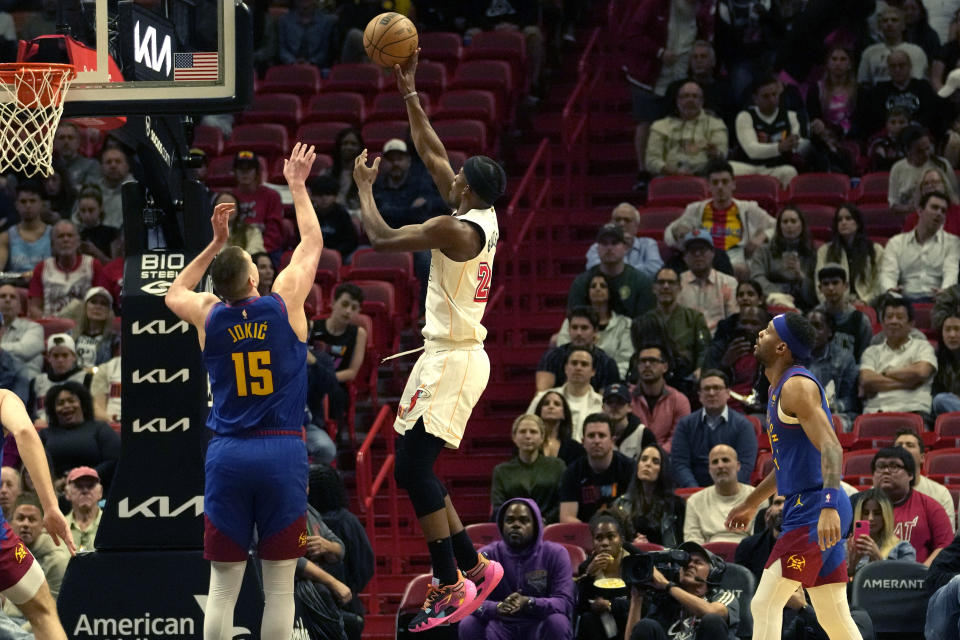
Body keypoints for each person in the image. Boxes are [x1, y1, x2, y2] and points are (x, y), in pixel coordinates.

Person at [350, 50, 508, 631]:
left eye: (460, 173)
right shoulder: (478, 214)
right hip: (448, 353)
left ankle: (450, 580)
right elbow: (432, 150)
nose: (452, 173)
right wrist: (410, 90)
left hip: (455, 357)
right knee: (415, 467)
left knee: (415, 471)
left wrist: (365, 187)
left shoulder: (453, 227)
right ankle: (471, 566)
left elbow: (381, 236)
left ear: (467, 188)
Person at [164, 143, 324, 640]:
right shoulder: (284, 304)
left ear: (220, 283)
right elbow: (313, 241)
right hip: (281, 448)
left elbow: (173, 293)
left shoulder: (209, 316)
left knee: (222, 589)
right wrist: (296, 184)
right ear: (256, 276)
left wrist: (214, 244)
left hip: (229, 452)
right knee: (279, 588)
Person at [724, 312, 862, 640]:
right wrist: (750, 503)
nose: (759, 333)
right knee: (834, 615)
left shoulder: (797, 386)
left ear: (782, 346)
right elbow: (786, 463)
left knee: (765, 604)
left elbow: (832, 448)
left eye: (768, 331)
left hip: (816, 506)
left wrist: (828, 505)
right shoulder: (776, 389)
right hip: (814, 504)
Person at [0, 389, 74, 639]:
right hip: (1, 540)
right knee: (43, 611)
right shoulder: (2, 398)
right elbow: (24, 432)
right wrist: (51, 506)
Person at [458, 498, 575, 640]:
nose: (516, 525)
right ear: (501, 525)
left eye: (524, 520)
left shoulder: (555, 554)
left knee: (558, 622)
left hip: (538, 622)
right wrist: (497, 608)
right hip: (499, 624)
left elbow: (564, 602)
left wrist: (529, 602)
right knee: (468, 623)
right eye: (510, 520)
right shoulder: (486, 556)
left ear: (536, 525)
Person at [663, 160, 776, 273]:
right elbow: (668, 236)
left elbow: (777, 226)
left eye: (725, 182)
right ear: (709, 186)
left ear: (733, 184)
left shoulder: (749, 209)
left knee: (740, 270)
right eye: (715, 182)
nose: (720, 187)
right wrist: (676, 231)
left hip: (735, 258)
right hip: (704, 257)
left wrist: (762, 236)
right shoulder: (695, 209)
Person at [623, 540, 740, 640]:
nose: (689, 565)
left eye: (698, 562)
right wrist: (636, 597)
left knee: (713, 620)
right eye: (686, 562)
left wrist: (666, 584)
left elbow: (710, 612)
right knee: (646, 625)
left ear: (713, 573)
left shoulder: (722, 596)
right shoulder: (666, 601)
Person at [672, 372, 759, 488]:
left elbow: (745, 466)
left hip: (733, 493)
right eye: (707, 389)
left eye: (717, 388)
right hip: (693, 493)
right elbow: (680, 464)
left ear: (728, 393)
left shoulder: (744, 426)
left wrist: (722, 493)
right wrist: (695, 492)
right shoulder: (685, 425)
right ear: (700, 395)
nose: (711, 393)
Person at [859, 295, 937, 421]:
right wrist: (908, 382)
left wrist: (885, 373)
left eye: (900, 317)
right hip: (876, 412)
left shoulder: (923, 346)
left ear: (911, 324)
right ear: (883, 323)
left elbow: (920, 372)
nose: (893, 321)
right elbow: (867, 380)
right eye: (889, 317)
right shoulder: (871, 351)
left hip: (914, 411)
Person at [730, 76, 812, 189]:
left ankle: (786, 206)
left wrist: (797, 144)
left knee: (790, 171)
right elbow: (752, 150)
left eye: (774, 94)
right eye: (766, 96)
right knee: (729, 168)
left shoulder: (791, 116)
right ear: (755, 98)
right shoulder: (745, 116)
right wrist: (780, 147)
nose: (772, 100)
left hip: (776, 168)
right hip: (749, 167)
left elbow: (800, 145)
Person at [2, 493, 71, 625]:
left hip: (38, 626)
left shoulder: (58, 559)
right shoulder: (5, 554)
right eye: (20, 518)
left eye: (32, 519)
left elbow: (55, 612)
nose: (25, 524)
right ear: (9, 524)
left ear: (42, 526)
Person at [879, 191, 960, 301]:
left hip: (937, 299)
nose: (939, 213)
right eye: (934, 207)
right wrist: (890, 290)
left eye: (943, 211)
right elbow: (888, 273)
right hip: (903, 299)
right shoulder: (896, 242)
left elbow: (951, 271)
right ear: (920, 211)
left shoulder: (952, 242)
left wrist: (945, 291)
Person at [635, 266, 711, 381]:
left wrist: (700, 369)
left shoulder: (695, 318)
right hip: (652, 379)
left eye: (671, 282)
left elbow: (704, 349)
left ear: (680, 287)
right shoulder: (644, 321)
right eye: (661, 283)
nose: (666, 286)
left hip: (687, 378)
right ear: (654, 288)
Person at [40, 381, 120, 488]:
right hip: (56, 491)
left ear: (83, 404)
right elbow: (36, 466)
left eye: (71, 401)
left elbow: (114, 460)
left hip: (95, 488)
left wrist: (83, 477)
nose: (67, 406)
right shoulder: (45, 435)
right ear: (53, 410)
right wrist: (56, 484)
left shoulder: (100, 428)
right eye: (60, 403)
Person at [558, 415, 636, 524]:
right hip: (585, 535)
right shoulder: (572, 472)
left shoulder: (629, 468)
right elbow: (566, 518)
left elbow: (634, 514)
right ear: (583, 442)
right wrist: (596, 533)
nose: (596, 440)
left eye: (602, 435)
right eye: (591, 436)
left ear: (612, 441)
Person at [490, 415, 567, 524]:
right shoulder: (501, 471)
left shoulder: (558, 466)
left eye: (533, 432)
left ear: (542, 437)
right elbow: (499, 507)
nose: (528, 436)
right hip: (513, 529)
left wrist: (544, 521)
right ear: (514, 437)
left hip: (550, 527)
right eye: (522, 432)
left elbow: (562, 503)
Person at [567, 223, 654, 318]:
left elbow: (646, 326)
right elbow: (574, 322)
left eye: (614, 243)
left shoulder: (641, 282)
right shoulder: (581, 283)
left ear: (625, 248)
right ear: (597, 248)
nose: (609, 248)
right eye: (604, 243)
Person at [645, 80, 729, 177]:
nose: (690, 100)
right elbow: (651, 161)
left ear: (702, 101)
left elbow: (722, 155)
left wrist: (715, 154)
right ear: (678, 101)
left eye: (695, 96)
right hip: (669, 177)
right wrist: (671, 171)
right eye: (685, 96)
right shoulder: (660, 126)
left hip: (705, 178)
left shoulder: (715, 124)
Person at [309, 283, 368, 420]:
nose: (348, 311)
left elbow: (352, 372)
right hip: (311, 380)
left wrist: (325, 379)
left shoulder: (359, 333)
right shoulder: (313, 326)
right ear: (333, 303)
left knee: (333, 394)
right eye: (345, 304)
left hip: (336, 384)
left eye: (354, 308)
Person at [27, 220, 107, 319]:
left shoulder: (93, 265)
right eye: (60, 236)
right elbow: (34, 307)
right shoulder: (42, 268)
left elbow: (102, 304)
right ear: (52, 244)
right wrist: (46, 322)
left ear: (78, 242)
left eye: (70, 236)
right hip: (51, 324)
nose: (65, 239)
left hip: (83, 325)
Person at [702, 304, 771, 413]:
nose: (748, 327)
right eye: (744, 322)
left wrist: (761, 407)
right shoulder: (720, 348)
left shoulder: (774, 353)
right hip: (719, 407)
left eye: (754, 323)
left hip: (755, 412)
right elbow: (706, 384)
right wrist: (724, 363)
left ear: (764, 328)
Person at [612, 443, 685, 546]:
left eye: (655, 461)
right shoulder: (621, 503)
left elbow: (680, 546)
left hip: (664, 559)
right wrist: (633, 544)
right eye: (644, 459)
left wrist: (649, 547)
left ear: (662, 469)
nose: (648, 464)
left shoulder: (676, 506)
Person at [575, 511, 632, 640]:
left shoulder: (634, 562)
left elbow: (645, 603)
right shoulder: (586, 567)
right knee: (587, 619)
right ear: (593, 542)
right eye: (599, 538)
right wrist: (589, 575)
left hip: (629, 620)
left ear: (621, 539)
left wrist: (610, 605)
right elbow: (581, 608)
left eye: (611, 537)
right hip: (602, 627)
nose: (604, 543)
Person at [750, 206, 819, 311]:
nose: (789, 225)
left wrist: (800, 276)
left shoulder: (812, 253)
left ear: (801, 225)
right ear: (779, 226)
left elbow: (816, 289)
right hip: (772, 300)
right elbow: (756, 278)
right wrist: (779, 293)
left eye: (793, 221)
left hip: (803, 303)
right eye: (785, 222)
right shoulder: (763, 251)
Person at [528, 348, 604, 442]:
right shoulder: (542, 399)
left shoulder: (602, 404)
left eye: (584, 364)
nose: (578, 368)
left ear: (593, 372)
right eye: (574, 363)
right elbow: (527, 429)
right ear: (565, 368)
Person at [815, 204, 885, 306]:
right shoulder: (825, 251)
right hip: (833, 304)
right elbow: (819, 283)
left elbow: (880, 284)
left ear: (858, 223)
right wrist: (833, 303)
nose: (843, 222)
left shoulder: (875, 250)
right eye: (840, 220)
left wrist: (865, 301)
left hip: (866, 304)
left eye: (848, 218)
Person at [683, 444, 754, 543]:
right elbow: (692, 541)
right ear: (709, 469)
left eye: (725, 460)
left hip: (747, 555)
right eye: (715, 462)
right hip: (708, 556)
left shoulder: (756, 497)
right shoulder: (694, 501)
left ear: (738, 466)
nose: (720, 466)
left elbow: (760, 539)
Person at [539, 307, 621, 391]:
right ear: (568, 330)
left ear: (595, 331)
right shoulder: (551, 357)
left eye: (584, 328)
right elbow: (542, 395)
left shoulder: (607, 363)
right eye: (574, 327)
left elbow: (606, 401)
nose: (578, 333)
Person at [629, 343, 691, 451]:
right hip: (632, 457)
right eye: (642, 361)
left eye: (653, 361)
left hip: (667, 459)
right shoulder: (626, 398)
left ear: (665, 367)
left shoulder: (679, 400)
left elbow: (679, 438)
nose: (647, 365)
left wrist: (655, 455)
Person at [677, 227, 739, 334]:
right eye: (692, 250)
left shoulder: (729, 283)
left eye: (702, 249)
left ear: (713, 253)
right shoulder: (677, 283)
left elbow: (733, 320)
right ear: (685, 257)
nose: (697, 254)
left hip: (719, 340)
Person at [806, 309, 859, 432]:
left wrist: (830, 406)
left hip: (834, 413)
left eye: (817, 326)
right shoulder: (793, 358)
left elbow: (851, 401)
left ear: (829, 332)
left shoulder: (844, 359)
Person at [895, 428, 957, 530]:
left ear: (922, 458)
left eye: (910, 445)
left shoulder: (940, 494)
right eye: (898, 446)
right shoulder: (876, 493)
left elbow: (945, 541)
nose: (903, 449)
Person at [888, 127, 960, 215]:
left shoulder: (942, 164)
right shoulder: (897, 169)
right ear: (907, 150)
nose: (926, 154)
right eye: (919, 151)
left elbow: (955, 198)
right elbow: (893, 205)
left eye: (927, 148)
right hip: (912, 217)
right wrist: (912, 208)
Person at [848, 487, 917, 578]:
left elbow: (907, 584)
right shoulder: (846, 548)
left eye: (877, 513)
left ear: (886, 516)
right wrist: (851, 568)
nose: (870, 518)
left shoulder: (903, 549)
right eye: (865, 513)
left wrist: (879, 559)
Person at [813, 263, 874, 361]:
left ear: (846, 286)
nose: (831, 288)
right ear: (820, 288)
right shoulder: (813, 319)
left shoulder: (860, 321)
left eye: (835, 283)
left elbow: (865, 359)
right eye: (826, 284)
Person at [584, 203, 663, 279]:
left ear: (636, 226)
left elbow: (655, 269)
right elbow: (594, 271)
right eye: (618, 220)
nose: (622, 224)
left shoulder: (648, 244)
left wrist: (617, 271)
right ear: (611, 223)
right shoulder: (597, 247)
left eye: (627, 220)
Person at [28, 333, 90, 427]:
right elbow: (28, 412)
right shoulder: (37, 381)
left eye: (65, 355)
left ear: (74, 357)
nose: (60, 360)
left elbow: (89, 412)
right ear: (49, 358)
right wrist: (35, 419)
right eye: (55, 356)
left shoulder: (85, 378)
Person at [858, 6, 929, 86]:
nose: (889, 24)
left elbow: (917, 82)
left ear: (903, 26)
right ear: (880, 26)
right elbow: (863, 83)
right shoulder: (869, 52)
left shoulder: (916, 51)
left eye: (894, 20)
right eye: (885, 21)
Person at [232, 150, 284, 255]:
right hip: (235, 252)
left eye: (249, 169)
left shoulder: (272, 196)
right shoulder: (228, 197)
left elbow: (274, 233)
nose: (245, 173)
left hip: (265, 251)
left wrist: (257, 251)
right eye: (241, 169)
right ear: (235, 172)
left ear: (257, 172)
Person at [0, 181, 50, 276]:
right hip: (15, 287)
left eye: (32, 201)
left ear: (41, 204)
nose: (28, 205)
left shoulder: (53, 235)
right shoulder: (6, 237)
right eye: (23, 201)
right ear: (16, 205)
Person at [308, 174, 358, 260]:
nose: (324, 198)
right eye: (319, 195)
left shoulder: (342, 214)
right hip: (312, 256)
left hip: (339, 254)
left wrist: (333, 252)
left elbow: (351, 241)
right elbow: (301, 240)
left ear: (335, 196)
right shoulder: (307, 215)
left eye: (328, 194)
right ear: (312, 196)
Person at [602, 383, 656, 460]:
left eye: (620, 402)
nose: (614, 406)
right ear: (603, 407)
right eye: (610, 402)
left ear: (630, 407)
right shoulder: (597, 433)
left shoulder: (643, 434)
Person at [277, 0, 337, 68]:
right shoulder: (284, 21)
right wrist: (292, 62)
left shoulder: (327, 21)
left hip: (318, 67)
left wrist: (311, 63)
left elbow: (325, 50)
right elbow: (282, 49)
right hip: (289, 67)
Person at [0, 286, 43, 378]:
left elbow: (25, 350)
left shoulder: (34, 327)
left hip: (24, 379)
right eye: (3, 296)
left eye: (12, 297)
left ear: (20, 307)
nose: (7, 300)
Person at [72, 286, 117, 369]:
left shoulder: (115, 341)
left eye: (103, 304)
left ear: (109, 311)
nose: (98, 307)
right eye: (93, 302)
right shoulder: (69, 336)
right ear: (85, 307)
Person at [76, 186, 120, 264]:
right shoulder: (77, 235)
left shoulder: (112, 233)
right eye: (83, 211)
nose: (87, 215)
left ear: (100, 208)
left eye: (91, 210)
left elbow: (115, 266)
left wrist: (95, 252)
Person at [62, 465, 101, 552]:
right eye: (78, 486)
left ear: (100, 492)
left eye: (91, 486)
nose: (85, 491)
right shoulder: (58, 528)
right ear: (67, 493)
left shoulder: (111, 526)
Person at [93, 146, 133, 229]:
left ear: (127, 166)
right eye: (108, 162)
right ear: (101, 167)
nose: (113, 165)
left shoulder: (137, 191)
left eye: (118, 162)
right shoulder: (93, 191)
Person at [52, 121, 100, 188]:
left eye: (70, 137)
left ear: (78, 142)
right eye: (61, 138)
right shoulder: (49, 168)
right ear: (55, 143)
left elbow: (89, 192)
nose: (66, 142)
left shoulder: (91, 165)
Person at [218, 191, 265, 255]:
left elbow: (256, 253)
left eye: (231, 206)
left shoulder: (251, 231)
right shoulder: (206, 232)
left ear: (238, 210)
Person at [934, 310, 960, 418]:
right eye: (947, 330)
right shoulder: (935, 358)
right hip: (950, 410)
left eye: (957, 329)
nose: (952, 335)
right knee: (940, 400)